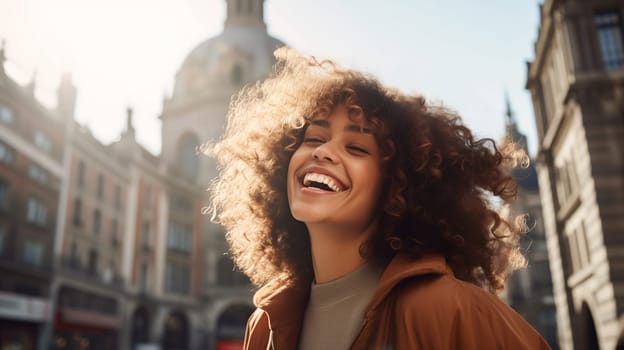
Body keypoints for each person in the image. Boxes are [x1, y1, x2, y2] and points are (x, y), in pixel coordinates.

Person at [207, 48, 551, 350]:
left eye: (356, 147)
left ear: (399, 184)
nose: (324, 152)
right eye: (312, 139)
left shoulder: (453, 312)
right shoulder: (266, 321)